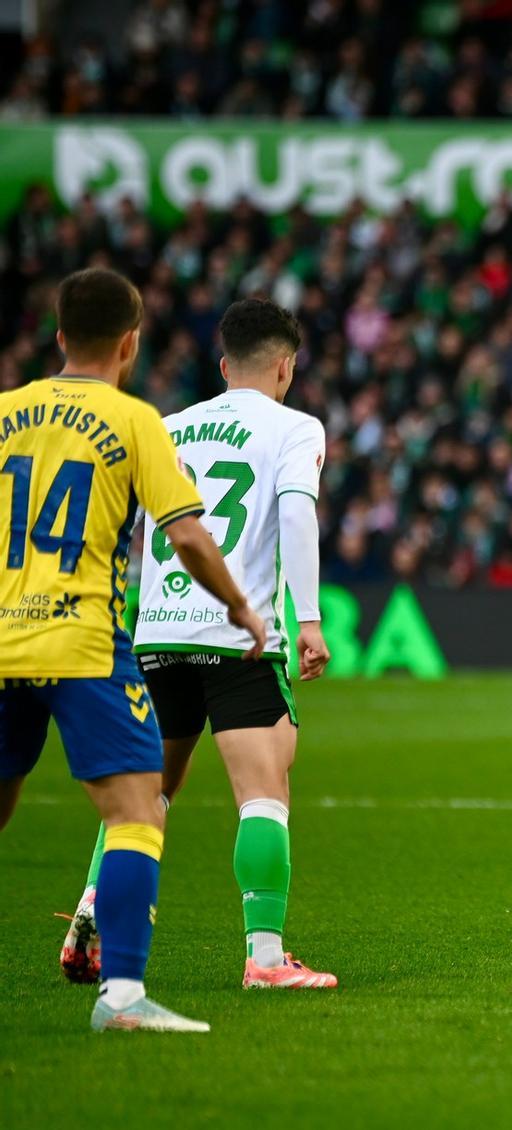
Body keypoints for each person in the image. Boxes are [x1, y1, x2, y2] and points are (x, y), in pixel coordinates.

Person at [0, 268, 267, 1031]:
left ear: (57, 336)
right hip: (83, 641)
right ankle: (121, 996)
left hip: (3, 639)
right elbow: (185, 534)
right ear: (130, 341)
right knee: (138, 811)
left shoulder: (4, 413)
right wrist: (243, 608)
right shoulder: (134, 419)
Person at [60, 298, 336, 990]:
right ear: (285, 366)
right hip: (239, 636)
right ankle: (266, 960)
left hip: (157, 628)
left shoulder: (170, 426)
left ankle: (92, 909)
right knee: (263, 792)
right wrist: (307, 620)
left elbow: (138, 529)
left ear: (221, 365)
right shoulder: (296, 427)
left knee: (144, 793)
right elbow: (298, 513)